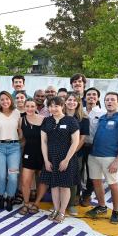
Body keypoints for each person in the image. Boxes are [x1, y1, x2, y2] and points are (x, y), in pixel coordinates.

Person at [86, 92, 118, 224]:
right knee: (96, 182)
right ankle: (102, 206)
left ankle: (116, 211)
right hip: (94, 155)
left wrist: (117, 161)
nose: (109, 102)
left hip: (110, 158)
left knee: (113, 185)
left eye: (112, 100)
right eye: (107, 100)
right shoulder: (102, 118)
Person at [40, 96, 80, 224]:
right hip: (51, 158)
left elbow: (75, 142)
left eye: (56, 106)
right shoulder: (46, 121)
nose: (53, 108)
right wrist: (46, 160)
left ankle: (62, 211)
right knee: (54, 185)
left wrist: (67, 160)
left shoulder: (71, 121)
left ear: (62, 106)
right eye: (51, 106)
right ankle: (56, 209)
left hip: (66, 158)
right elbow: (43, 142)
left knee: (64, 185)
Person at [0, 91, 21, 211]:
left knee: (12, 176)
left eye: (7, 99)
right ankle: (1, 196)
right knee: (1, 176)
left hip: (14, 148)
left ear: (11, 100)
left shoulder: (17, 113)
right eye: (2, 99)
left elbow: (20, 130)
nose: (5, 101)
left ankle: (10, 197)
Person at [18, 99, 44, 215]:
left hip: (42, 154)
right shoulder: (21, 120)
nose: (30, 108)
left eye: (32, 106)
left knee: (42, 181)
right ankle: (26, 203)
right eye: (27, 106)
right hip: (28, 153)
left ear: (36, 107)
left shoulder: (44, 119)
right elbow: (22, 139)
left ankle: (37, 203)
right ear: (24, 107)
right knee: (25, 181)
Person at [64, 92, 89, 216]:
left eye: (74, 100)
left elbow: (83, 138)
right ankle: (60, 203)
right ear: (65, 101)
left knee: (73, 178)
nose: (71, 102)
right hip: (59, 153)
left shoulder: (83, 119)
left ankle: (72, 204)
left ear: (78, 102)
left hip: (76, 154)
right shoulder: (59, 116)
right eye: (69, 99)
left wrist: (72, 152)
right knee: (60, 177)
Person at [80, 87, 105, 206]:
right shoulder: (80, 111)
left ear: (98, 98)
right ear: (85, 97)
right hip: (80, 145)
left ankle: (87, 195)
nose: (91, 96)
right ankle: (76, 194)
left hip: (93, 147)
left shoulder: (102, 114)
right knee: (78, 170)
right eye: (89, 94)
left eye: (94, 95)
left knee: (91, 173)